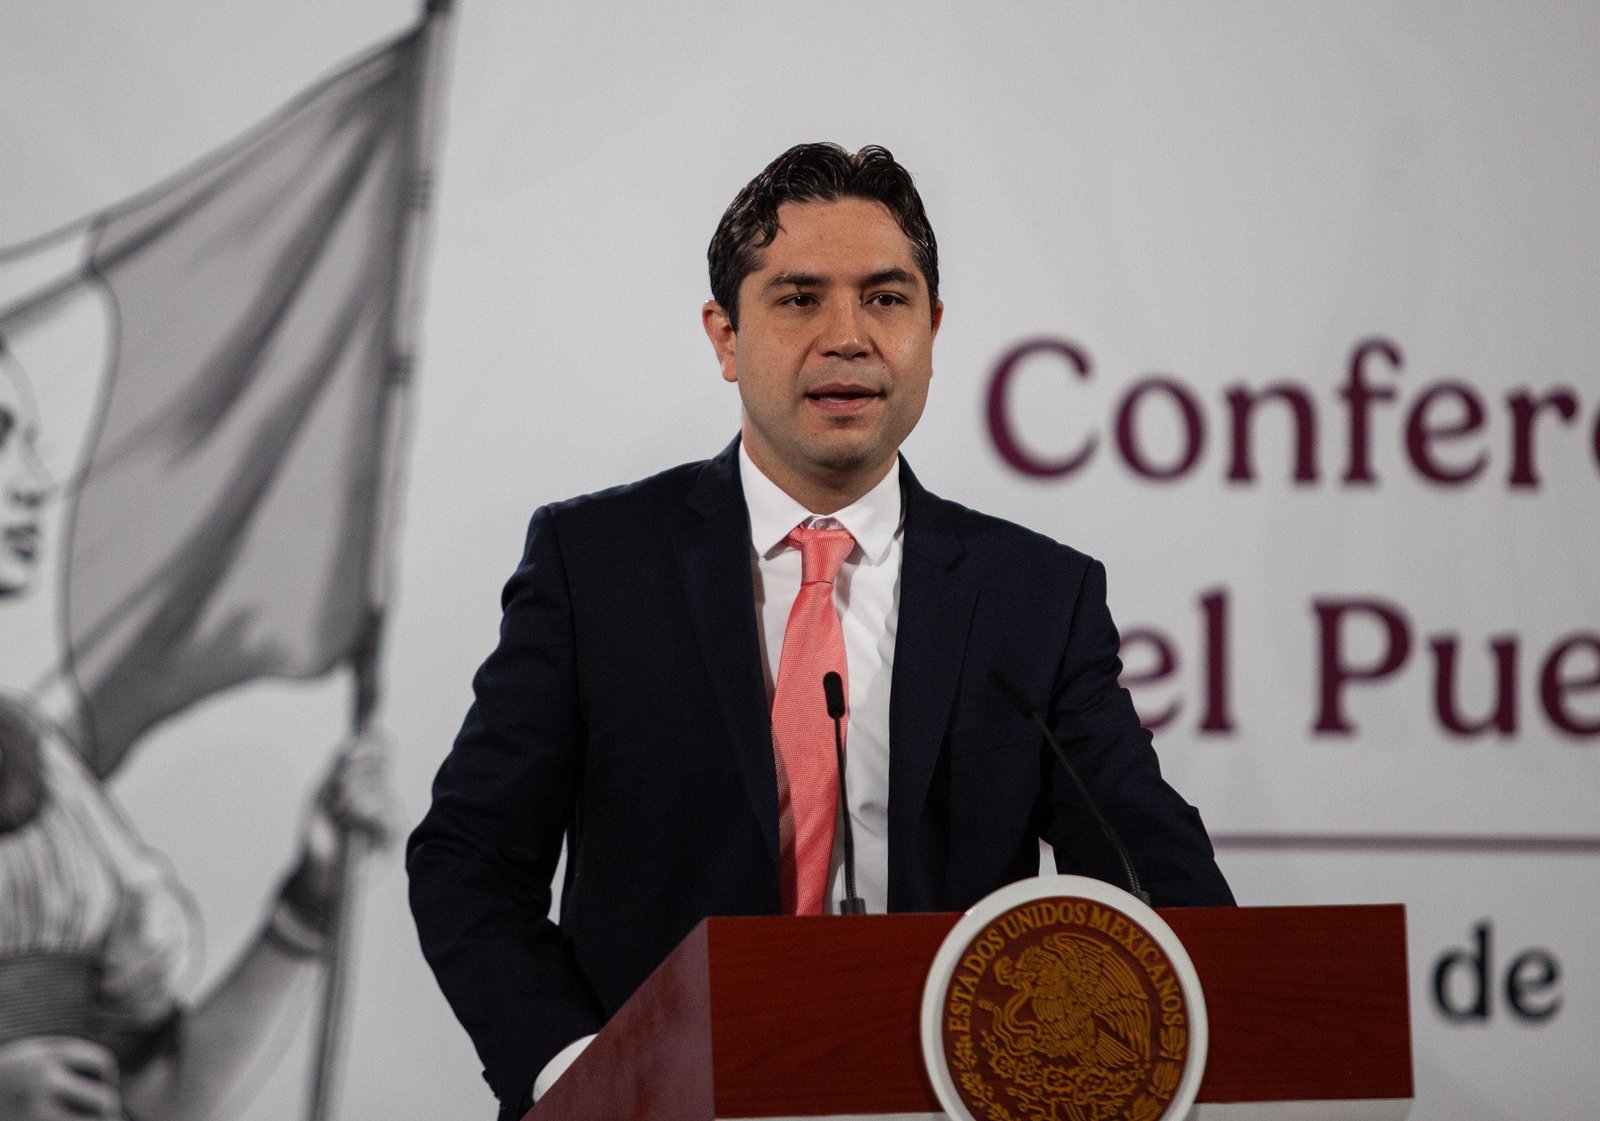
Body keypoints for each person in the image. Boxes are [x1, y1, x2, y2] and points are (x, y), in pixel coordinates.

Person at [407, 143, 1234, 1121]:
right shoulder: (595, 565)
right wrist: (581, 1073)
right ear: (725, 336)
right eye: (799, 299)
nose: (848, 337)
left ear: (932, 330)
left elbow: (1151, 876)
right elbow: (468, 857)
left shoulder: (1035, 596)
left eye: (885, 299)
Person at [0, 343, 393, 1121]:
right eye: (0, 437)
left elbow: (161, 1099)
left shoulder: (37, 753)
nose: (38, 480)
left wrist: (309, 900)